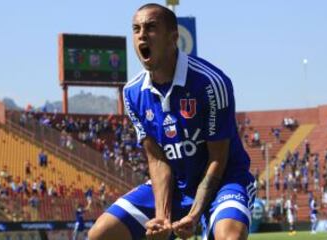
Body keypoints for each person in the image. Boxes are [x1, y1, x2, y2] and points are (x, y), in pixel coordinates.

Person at [88, 3, 255, 240]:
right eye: (136, 29)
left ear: (173, 37)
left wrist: (195, 215)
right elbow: (157, 160)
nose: (141, 35)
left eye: (151, 27)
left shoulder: (210, 83)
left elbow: (218, 157)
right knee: (100, 234)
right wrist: (162, 218)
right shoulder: (132, 92)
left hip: (224, 181)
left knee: (230, 237)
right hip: (176, 186)